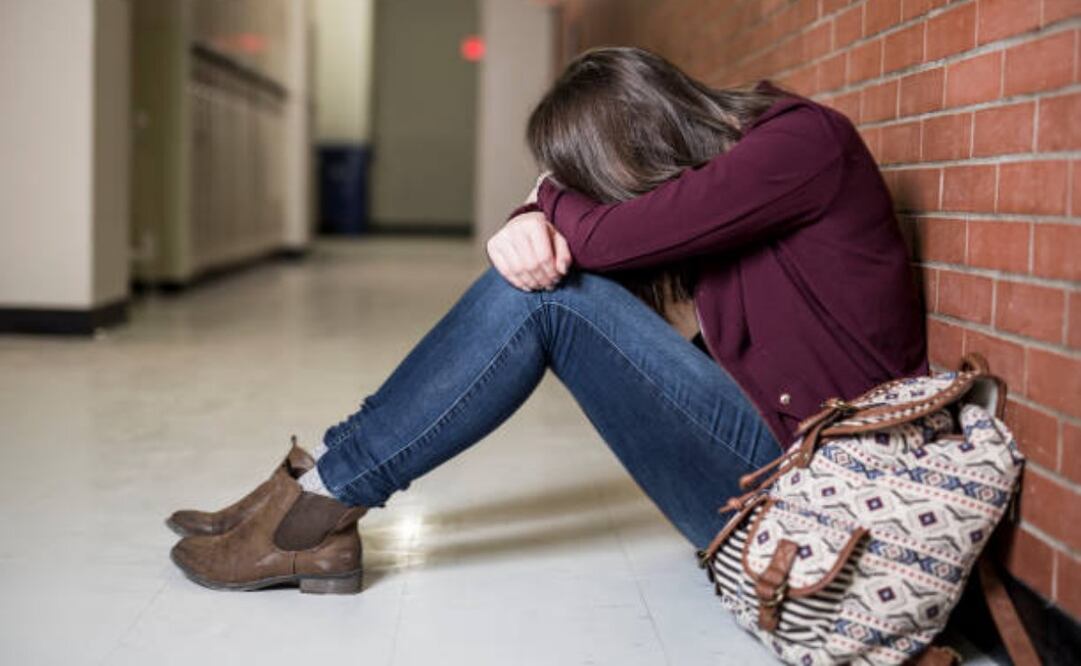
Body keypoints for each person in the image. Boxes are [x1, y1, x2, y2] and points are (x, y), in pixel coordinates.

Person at [167, 47, 927, 595]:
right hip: (760, 475)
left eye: (595, 181)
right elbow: (593, 239)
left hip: (813, 499)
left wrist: (542, 199)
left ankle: (318, 503)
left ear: (636, 141)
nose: (600, 199)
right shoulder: (732, 175)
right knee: (542, 281)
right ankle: (319, 485)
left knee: (547, 294)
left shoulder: (799, 144)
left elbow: (596, 240)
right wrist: (535, 215)